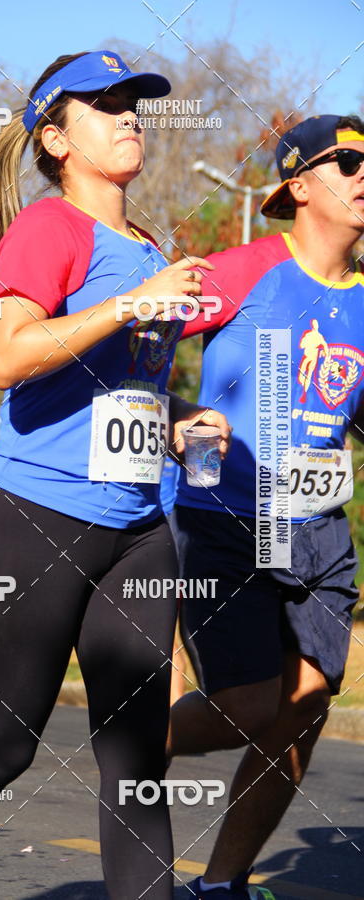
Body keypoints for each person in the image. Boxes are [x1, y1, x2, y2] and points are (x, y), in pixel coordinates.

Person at [0, 50, 230, 900]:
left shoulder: (150, 246)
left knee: (136, 756)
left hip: (138, 530)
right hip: (32, 519)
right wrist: (130, 306)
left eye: (134, 102)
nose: (128, 114)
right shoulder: (49, 229)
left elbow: (118, 382)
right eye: (104, 104)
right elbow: (6, 357)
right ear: (54, 137)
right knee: (2, 744)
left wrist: (178, 416)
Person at [168, 114, 364, 899]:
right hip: (226, 517)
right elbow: (128, 348)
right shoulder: (242, 268)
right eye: (347, 160)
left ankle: (222, 884)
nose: (363, 173)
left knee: (304, 705)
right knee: (251, 704)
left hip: (316, 529)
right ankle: (133, 740)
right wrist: (174, 414)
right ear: (297, 183)